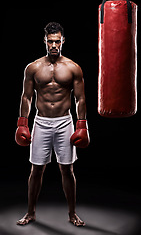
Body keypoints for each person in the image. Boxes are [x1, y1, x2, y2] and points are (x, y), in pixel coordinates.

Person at [15, 22, 90, 227]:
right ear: (45, 41)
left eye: (57, 41)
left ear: (63, 40)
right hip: (41, 122)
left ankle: (72, 214)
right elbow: (27, 97)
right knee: (36, 169)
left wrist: (82, 126)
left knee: (67, 169)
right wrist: (22, 123)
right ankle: (30, 213)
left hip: (65, 122)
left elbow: (80, 99)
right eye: (50, 41)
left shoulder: (73, 68)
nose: (54, 45)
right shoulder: (33, 68)